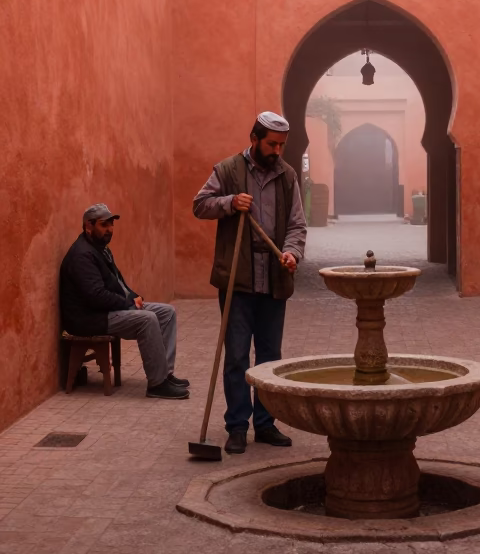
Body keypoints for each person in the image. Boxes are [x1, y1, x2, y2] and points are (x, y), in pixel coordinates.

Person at [193, 111, 307, 454]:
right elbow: (200, 205)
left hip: (274, 278)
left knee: (270, 358)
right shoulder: (227, 170)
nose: (277, 151)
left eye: (281, 145)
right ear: (254, 139)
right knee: (237, 356)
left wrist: (292, 253)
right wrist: (229, 202)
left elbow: (297, 225)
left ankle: (266, 424)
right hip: (237, 279)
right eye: (271, 144)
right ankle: (237, 426)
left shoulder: (287, 176)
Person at [60, 204, 190, 399]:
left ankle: (165, 374)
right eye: (104, 225)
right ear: (88, 226)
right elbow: (96, 297)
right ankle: (157, 384)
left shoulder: (101, 249)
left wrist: (133, 296)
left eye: (111, 224)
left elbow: (117, 283)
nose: (110, 229)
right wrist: (127, 303)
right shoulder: (82, 256)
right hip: (89, 318)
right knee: (147, 319)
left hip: (105, 310)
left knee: (167, 313)